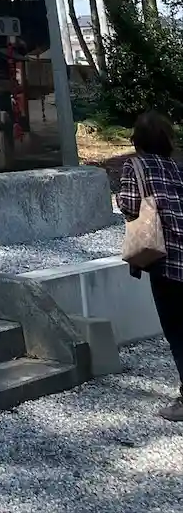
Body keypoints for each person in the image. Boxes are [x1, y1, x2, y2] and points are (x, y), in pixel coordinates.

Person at [118, 111, 183, 421]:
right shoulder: (177, 167)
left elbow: (129, 205)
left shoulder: (134, 166)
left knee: (178, 330)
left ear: (138, 141)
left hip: (167, 261)